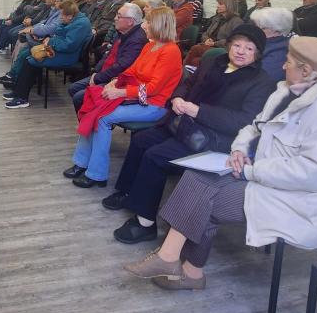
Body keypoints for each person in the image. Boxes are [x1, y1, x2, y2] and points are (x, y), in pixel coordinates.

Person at [123, 37, 317, 291]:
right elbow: (254, 126)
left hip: (301, 200)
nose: (282, 66)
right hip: (265, 175)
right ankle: (174, 262)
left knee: (205, 200)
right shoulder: (286, 91)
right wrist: (239, 150)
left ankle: (184, 268)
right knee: (195, 176)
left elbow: (311, 175)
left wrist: (250, 170)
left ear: (306, 71)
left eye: (288, 62)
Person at [103, 24, 275, 244]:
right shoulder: (214, 61)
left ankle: (145, 223)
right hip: (184, 124)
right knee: (141, 140)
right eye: (237, 45)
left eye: (249, 48)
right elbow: (186, 83)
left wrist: (199, 111)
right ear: (230, 45)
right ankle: (128, 193)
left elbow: (241, 122)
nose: (241, 51)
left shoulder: (261, 82)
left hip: (213, 138)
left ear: (258, 53)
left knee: (155, 156)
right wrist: (177, 98)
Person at [65, 7, 182, 188]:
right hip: (136, 98)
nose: (144, 25)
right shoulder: (150, 45)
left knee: (103, 117)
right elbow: (132, 70)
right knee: (92, 107)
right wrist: (115, 81)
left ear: (159, 25)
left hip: (154, 105)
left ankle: (97, 174)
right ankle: (81, 162)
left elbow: (152, 89)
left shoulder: (171, 51)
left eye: (148, 22)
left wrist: (121, 92)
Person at [4, 0, 92, 109]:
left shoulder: (81, 24)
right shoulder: (71, 20)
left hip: (69, 56)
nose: (60, 17)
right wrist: (50, 39)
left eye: (62, 15)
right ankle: (18, 92)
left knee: (31, 61)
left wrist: (50, 41)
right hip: (58, 50)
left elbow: (68, 45)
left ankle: (22, 98)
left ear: (70, 16)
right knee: (28, 56)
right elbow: (59, 34)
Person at [67, 3, 147, 111]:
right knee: (73, 88)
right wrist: (95, 72)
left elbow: (122, 67)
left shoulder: (137, 40)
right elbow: (107, 55)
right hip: (106, 74)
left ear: (130, 21)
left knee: (79, 97)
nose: (115, 18)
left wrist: (98, 78)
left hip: (117, 79)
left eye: (119, 16)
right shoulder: (122, 32)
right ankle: (92, 115)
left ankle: (95, 119)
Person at [183, 0, 243, 68]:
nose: (217, 6)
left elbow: (233, 40)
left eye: (220, 4)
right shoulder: (217, 18)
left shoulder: (236, 21)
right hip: (209, 45)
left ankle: (183, 70)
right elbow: (205, 33)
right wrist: (206, 39)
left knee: (195, 48)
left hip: (222, 49)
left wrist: (214, 43)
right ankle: (188, 70)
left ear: (229, 6)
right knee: (196, 59)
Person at [249, 7, 294, 81]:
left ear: (277, 30)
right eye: (256, 26)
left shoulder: (280, 51)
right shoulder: (264, 42)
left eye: (262, 28)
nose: (255, 30)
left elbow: (263, 79)